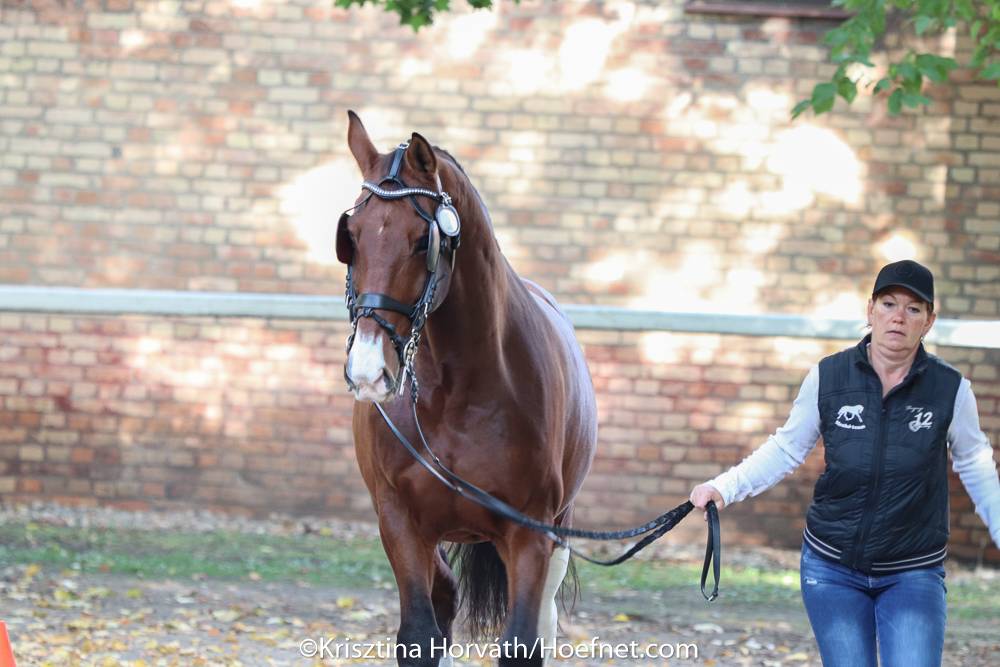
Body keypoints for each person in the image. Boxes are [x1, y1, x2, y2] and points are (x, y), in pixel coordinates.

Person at [689, 259, 1000, 667]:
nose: (898, 318)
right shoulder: (828, 377)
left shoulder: (951, 390)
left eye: (913, 309)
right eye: (888, 304)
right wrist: (724, 487)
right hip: (831, 568)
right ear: (869, 310)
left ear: (929, 321)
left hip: (912, 571)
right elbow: (786, 449)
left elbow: (975, 465)